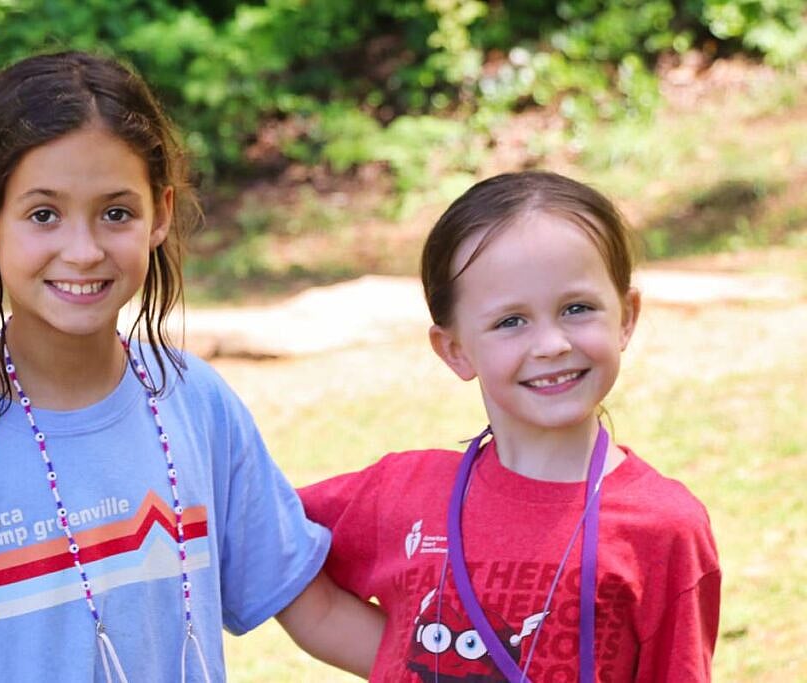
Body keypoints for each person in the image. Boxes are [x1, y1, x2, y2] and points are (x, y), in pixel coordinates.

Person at [0, 51, 382, 682]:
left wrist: (483, 670)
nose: (83, 251)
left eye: (115, 213)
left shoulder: (196, 402)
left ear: (159, 214)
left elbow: (315, 610)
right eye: (43, 214)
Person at [299, 171, 720, 682]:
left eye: (577, 309)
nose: (551, 344)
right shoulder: (399, 494)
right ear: (454, 350)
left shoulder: (665, 527)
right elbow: (259, 534)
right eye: (510, 321)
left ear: (626, 316)